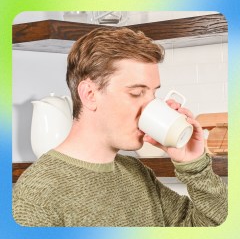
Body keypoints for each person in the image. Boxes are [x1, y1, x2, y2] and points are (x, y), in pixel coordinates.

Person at [13, 27, 227, 227]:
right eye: (136, 93)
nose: (150, 107)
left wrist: (194, 165)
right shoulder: (37, 196)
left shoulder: (137, 173)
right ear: (89, 94)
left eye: (153, 94)